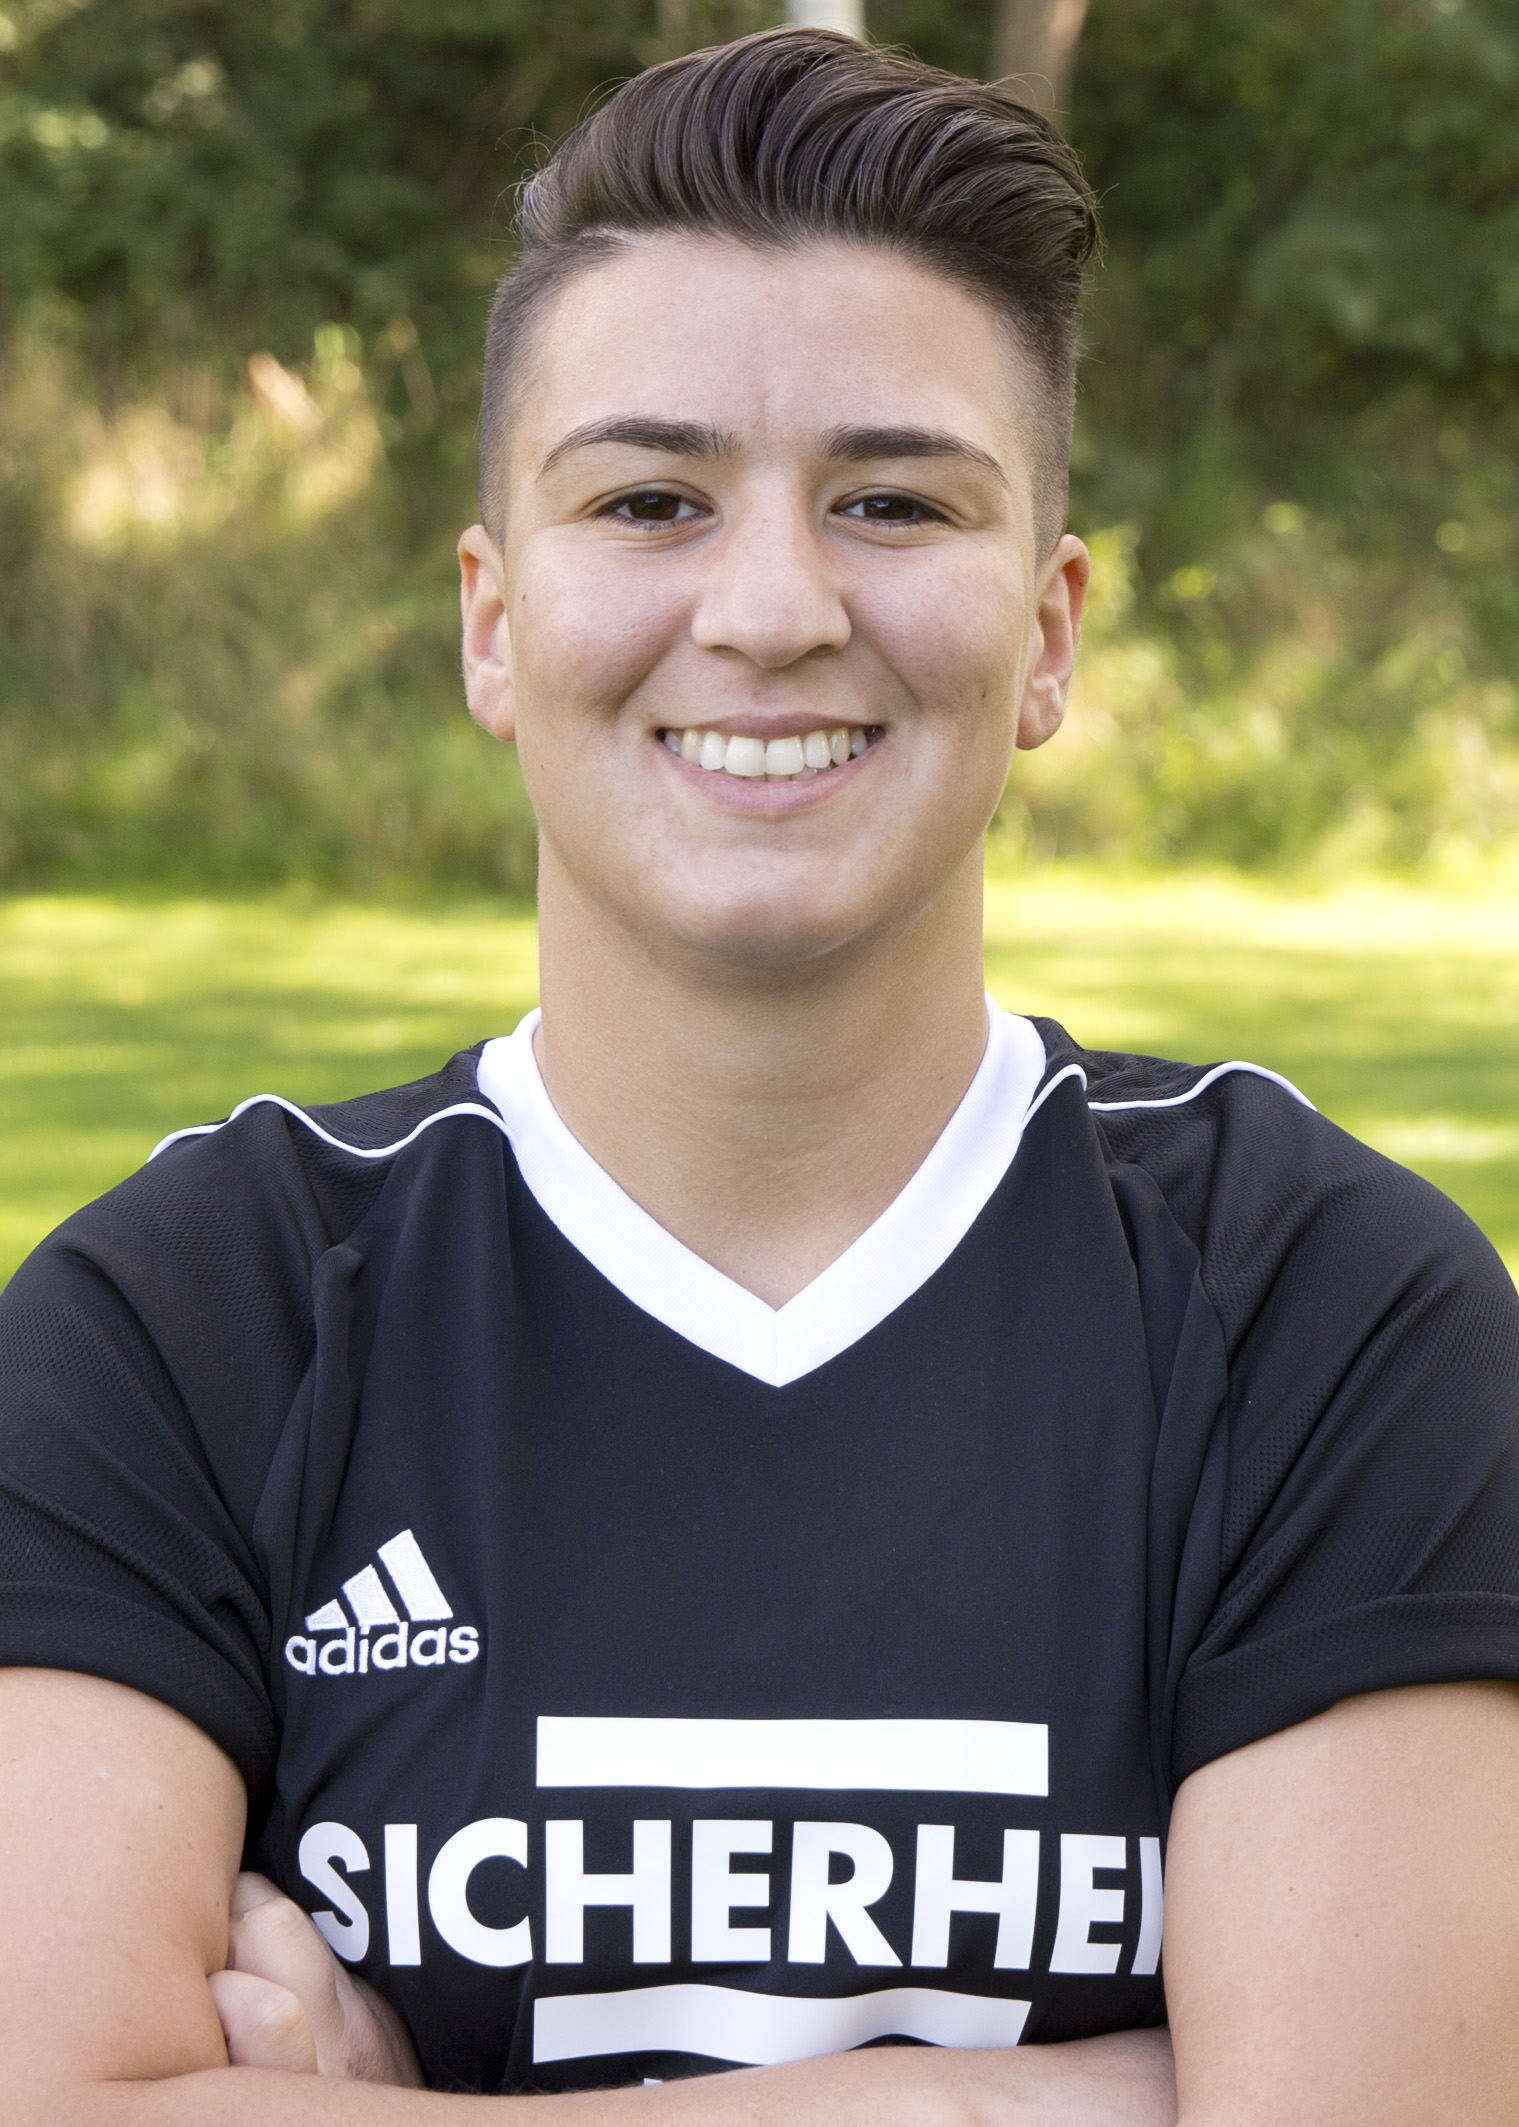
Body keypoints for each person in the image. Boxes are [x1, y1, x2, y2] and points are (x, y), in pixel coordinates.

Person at [2, 26, 1518, 2126]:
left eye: (893, 501)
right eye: (650, 499)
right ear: (492, 621)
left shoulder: (1319, 1307)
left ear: (1051, 631)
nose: (777, 606)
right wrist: (1071, 2091)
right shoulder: (188, 1319)